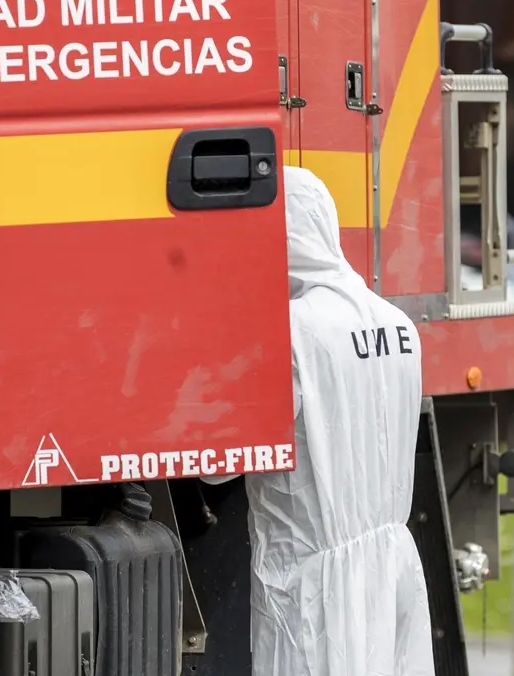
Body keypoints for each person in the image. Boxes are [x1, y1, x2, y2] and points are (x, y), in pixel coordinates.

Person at [207, 166, 434, 676]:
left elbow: (222, 462)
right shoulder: (398, 324)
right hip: (391, 561)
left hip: (313, 583)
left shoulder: (292, 333)